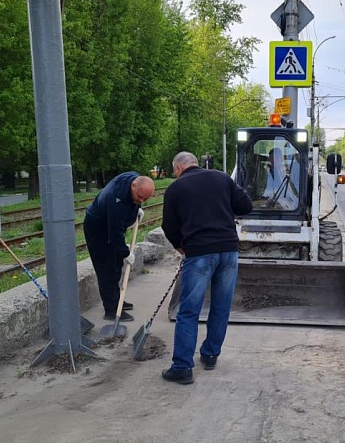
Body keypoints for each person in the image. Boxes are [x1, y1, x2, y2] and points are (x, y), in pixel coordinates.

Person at [160, 151, 253, 384]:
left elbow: (168, 225)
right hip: (228, 251)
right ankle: (210, 355)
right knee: (221, 307)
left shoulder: (176, 188)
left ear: (179, 167)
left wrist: (180, 246)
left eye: (174, 170)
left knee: (189, 310)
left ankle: (182, 367)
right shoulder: (222, 178)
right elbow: (246, 205)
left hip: (199, 252)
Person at [84, 172, 155, 321]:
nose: (141, 200)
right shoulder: (115, 200)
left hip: (112, 224)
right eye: (140, 197)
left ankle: (117, 299)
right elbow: (115, 235)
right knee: (107, 268)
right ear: (133, 186)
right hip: (98, 229)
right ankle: (111, 309)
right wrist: (126, 253)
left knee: (116, 264)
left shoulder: (133, 179)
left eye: (145, 199)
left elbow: (133, 202)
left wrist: (136, 208)